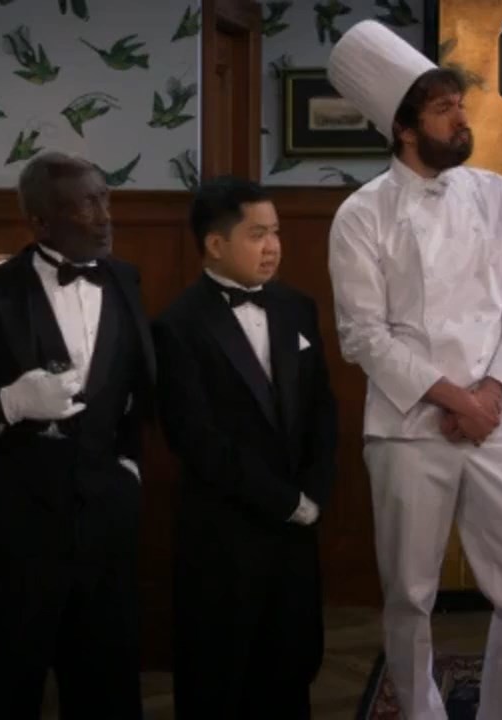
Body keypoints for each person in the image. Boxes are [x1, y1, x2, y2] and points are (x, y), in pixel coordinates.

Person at [325, 19, 502, 720]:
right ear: (404, 130)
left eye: (459, 105)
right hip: (407, 428)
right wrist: (455, 398)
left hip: (498, 423)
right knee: (410, 596)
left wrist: (488, 397)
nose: (462, 119)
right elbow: (363, 336)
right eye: (443, 110)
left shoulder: (500, 196)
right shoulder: (360, 215)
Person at [0, 151, 155, 719]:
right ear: (40, 222)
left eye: (105, 199)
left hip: (105, 518)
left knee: (106, 686)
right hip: (16, 524)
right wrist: (9, 402)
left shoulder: (125, 280)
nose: (105, 216)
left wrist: (128, 464)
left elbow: (138, 383)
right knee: (4, 684)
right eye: (86, 205)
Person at [153, 176, 338, 719]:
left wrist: (313, 493)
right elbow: (195, 438)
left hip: (296, 530)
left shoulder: (297, 307)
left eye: (276, 232)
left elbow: (321, 408)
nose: (273, 246)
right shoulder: (177, 325)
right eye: (258, 234)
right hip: (224, 532)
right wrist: (283, 500)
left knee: (291, 668)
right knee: (218, 676)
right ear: (215, 244)